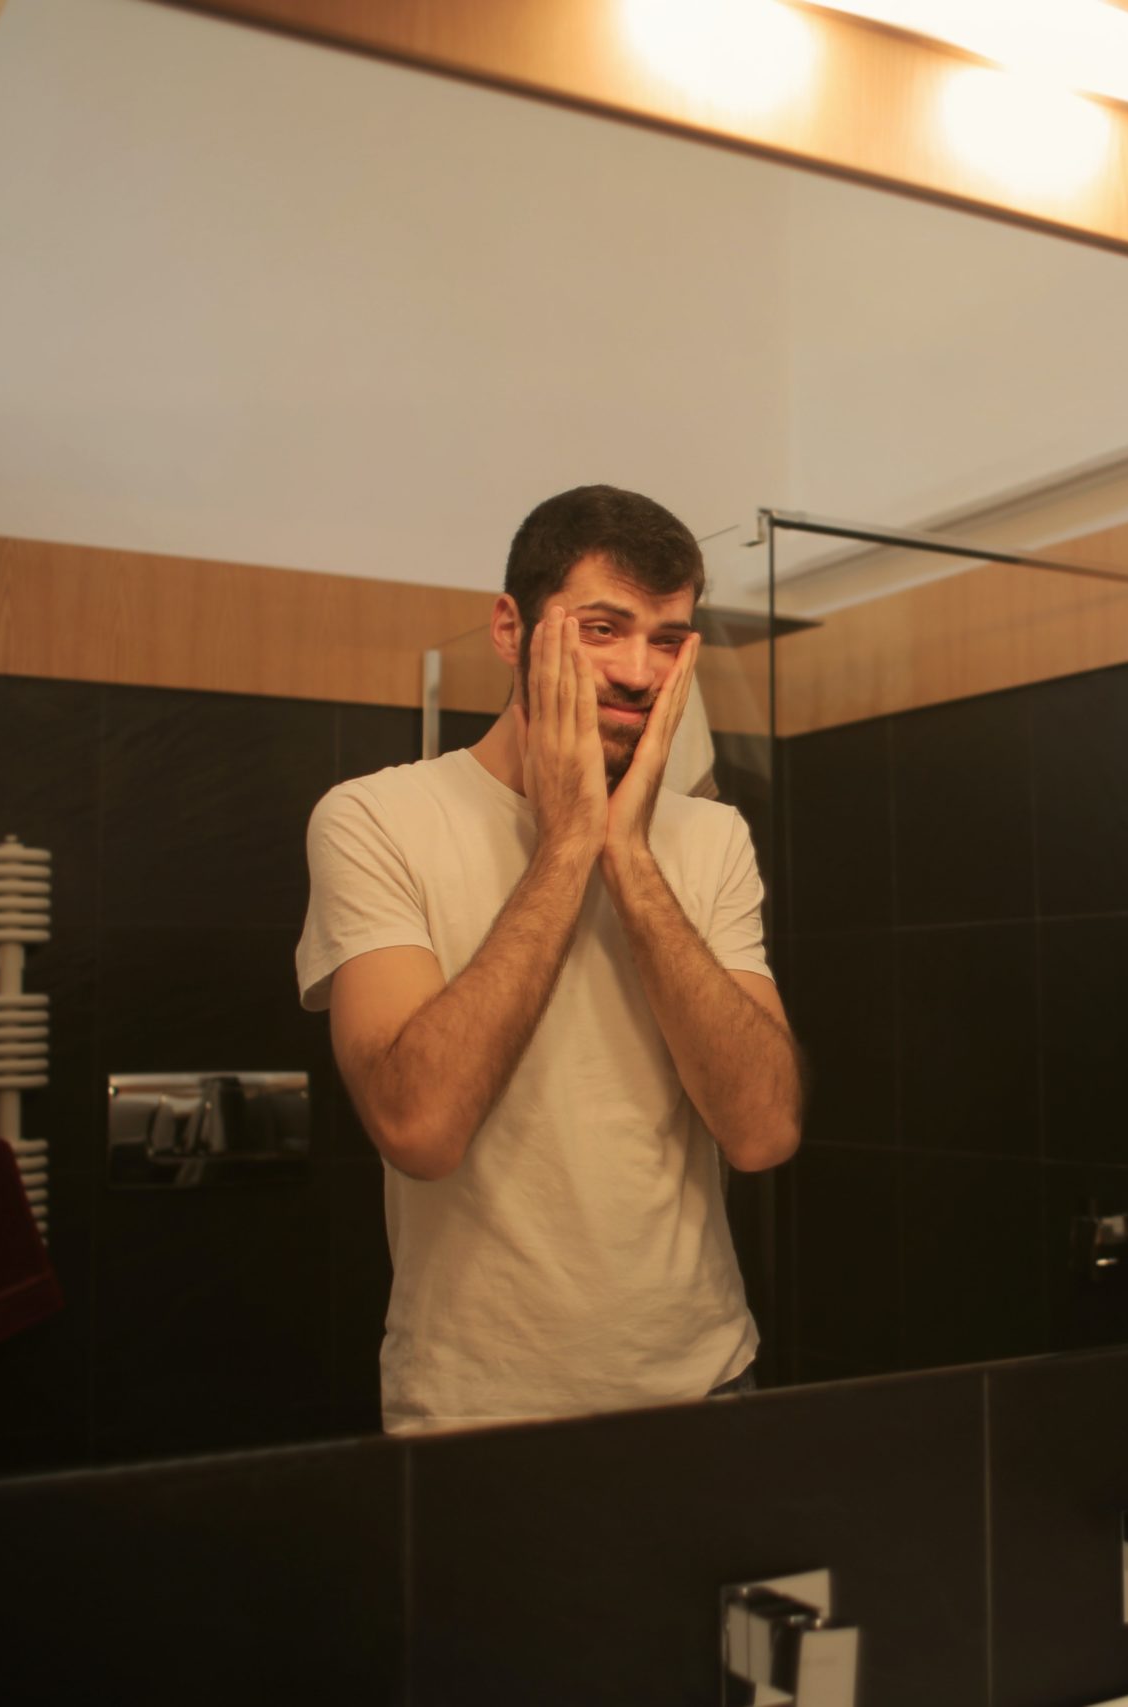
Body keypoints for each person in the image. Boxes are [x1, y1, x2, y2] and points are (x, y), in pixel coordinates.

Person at [296, 484, 801, 1433]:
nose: (639, 671)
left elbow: (764, 1130)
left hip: (707, 1382)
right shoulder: (376, 819)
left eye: (668, 638)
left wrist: (633, 857)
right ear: (508, 628)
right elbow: (419, 1126)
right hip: (478, 1409)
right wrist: (568, 845)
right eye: (602, 628)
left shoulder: (713, 837)